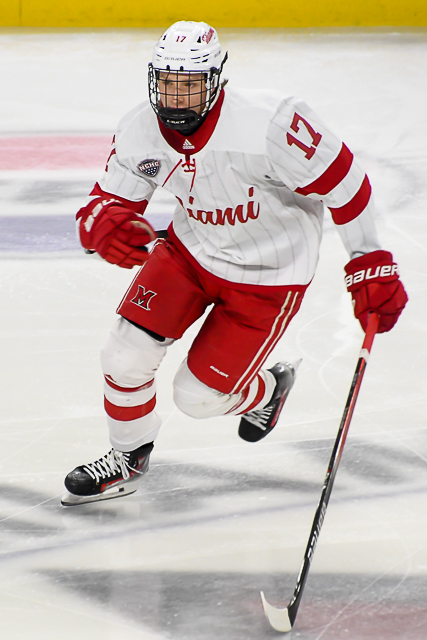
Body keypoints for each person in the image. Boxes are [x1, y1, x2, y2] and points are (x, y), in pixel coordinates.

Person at [61, 21, 408, 506]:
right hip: (189, 252)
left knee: (198, 399)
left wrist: (370, 258)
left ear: (216, 79)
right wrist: (103, 224)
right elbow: (108, 201)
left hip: (268, 275)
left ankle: (267, 390)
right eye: (167, 83)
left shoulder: (271, 123)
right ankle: (127, 458)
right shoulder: (141, 128)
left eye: (189, 84)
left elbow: (345, 182)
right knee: (123, 355)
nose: (175, 97)